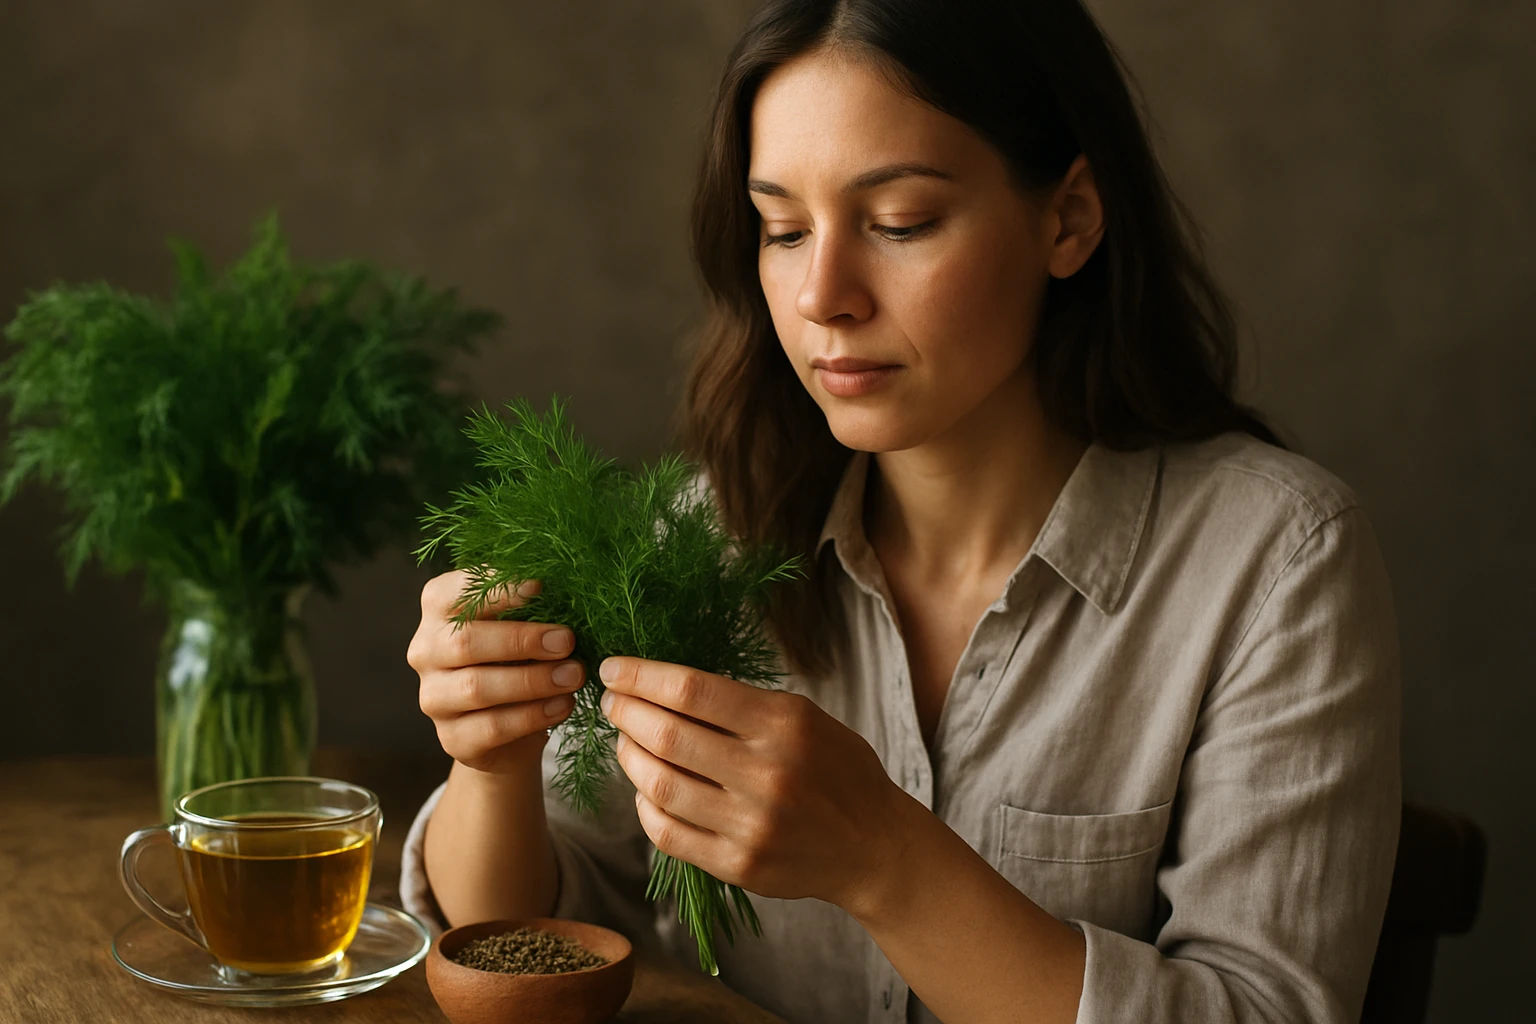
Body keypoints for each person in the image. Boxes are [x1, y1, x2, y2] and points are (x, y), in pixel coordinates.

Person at [401, 1, 1401, 1021]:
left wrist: (885, 859)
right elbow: (524, 934)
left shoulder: (1275, 562)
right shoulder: (712, 533)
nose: (822, 294)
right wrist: (491, 762)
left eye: (899, 223)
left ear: (1069, 219)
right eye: (783, 229)